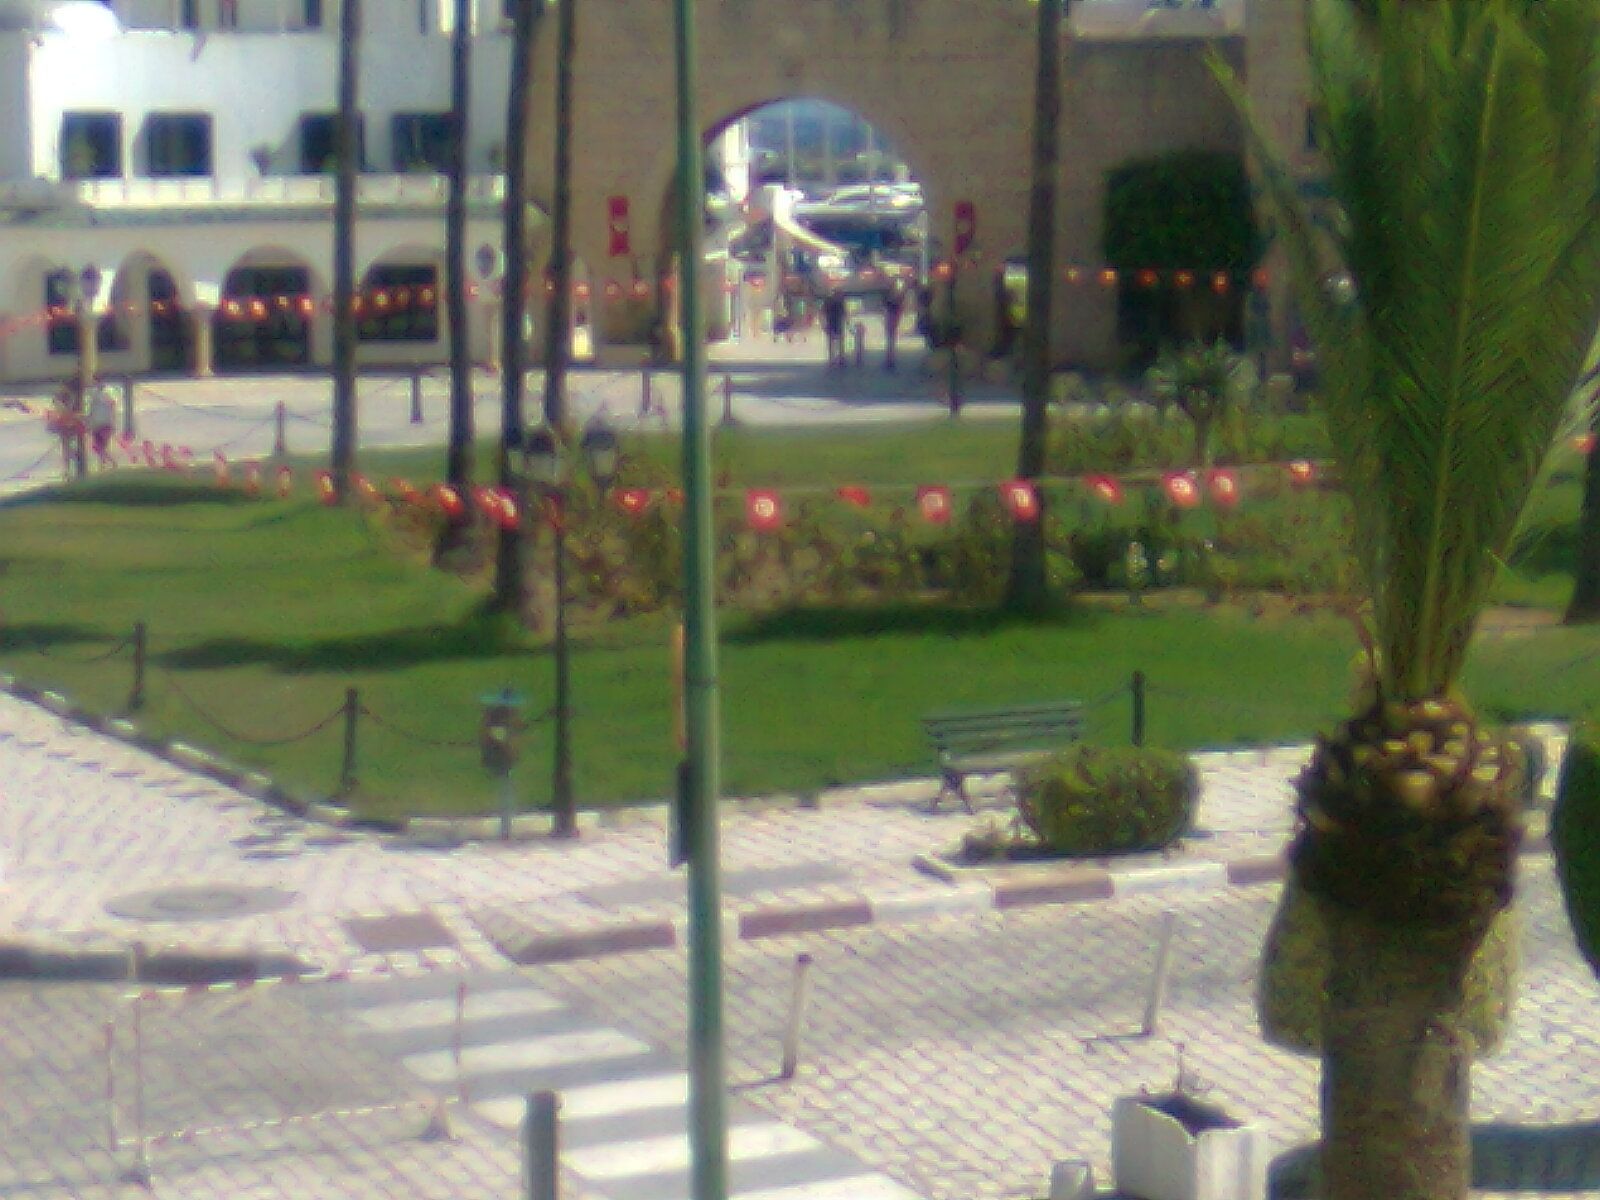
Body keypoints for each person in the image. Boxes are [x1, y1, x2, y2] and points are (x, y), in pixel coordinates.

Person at [88, 379, 117, 470]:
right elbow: (92, 413)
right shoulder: (96, 399)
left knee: (100, 446)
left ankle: (105, 464)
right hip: (100, 425)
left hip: (103, 424)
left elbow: (112, 406)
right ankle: (106, 464)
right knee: (99, 447)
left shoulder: (103, 397)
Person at [882, 281, 906, 373]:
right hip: (892, 318)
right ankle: (890, 360)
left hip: (891, 318)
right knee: (891, 339)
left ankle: (889, 359)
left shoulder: (890, 296)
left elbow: (888, 306)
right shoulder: (893, 296)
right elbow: (899, 304)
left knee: (890, 339)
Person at [822, 290, 847, 369]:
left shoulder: (829, 301)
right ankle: (838, 359)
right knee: (837, 342)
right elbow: (844, 313)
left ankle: (834, 359)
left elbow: (823, 312)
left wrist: (823, 324)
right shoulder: (838, 302)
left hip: (832, 324)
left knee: (833, 342)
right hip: (835, 324)